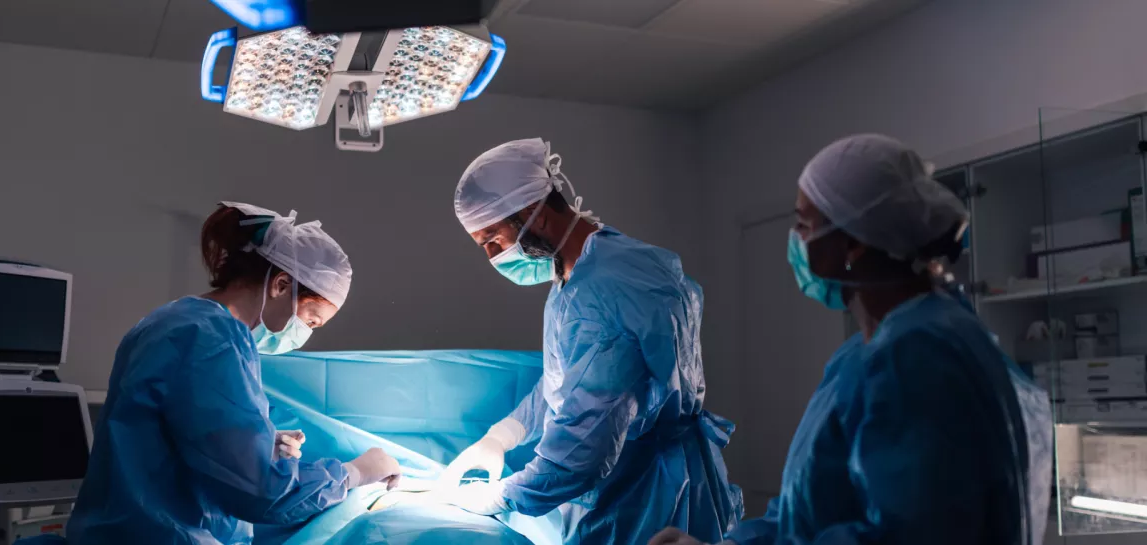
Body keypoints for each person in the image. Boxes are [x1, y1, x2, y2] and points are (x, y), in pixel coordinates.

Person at [649, 134, 1053, 545]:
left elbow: (907, 536)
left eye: (805, 225)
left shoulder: (915, 358)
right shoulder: (874, 350)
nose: (795, 239)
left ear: (854, 242)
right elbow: (809, 511)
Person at [437, 138, 745, 545]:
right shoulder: (577, 273)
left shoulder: (605, 288)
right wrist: (503, 434)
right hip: (633, 480)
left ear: (533, 214)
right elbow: (568, 380)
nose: (493, 256)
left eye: (493, 239)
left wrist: (497, 496)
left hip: (648, 497)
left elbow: (579, 457)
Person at [68, 202, 402, 545]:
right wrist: (357, 472)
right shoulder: (213, 341)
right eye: (311, 319)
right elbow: (262, 494)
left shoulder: (172, 320)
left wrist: (251, 446)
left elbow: (165, 435)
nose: (306, 333)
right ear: (282, 286)